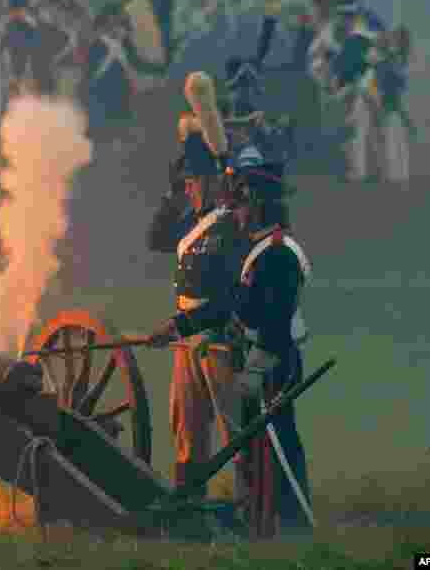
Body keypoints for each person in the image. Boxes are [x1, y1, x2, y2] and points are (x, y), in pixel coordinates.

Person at [144, 72, 247, 497]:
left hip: (220, 338)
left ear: (212, 181)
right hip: (187, 340)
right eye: (184, 183)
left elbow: (230, 295)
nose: (187, 189)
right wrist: (173, 194)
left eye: (191, 182)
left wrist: (179, 326)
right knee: (187, 429)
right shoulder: (191, 222)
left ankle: (249, 506)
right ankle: (190, 506)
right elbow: (156, 238)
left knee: (237, 432)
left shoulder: (232, 224)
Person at [226, 144, 313, 537]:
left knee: (281, 443)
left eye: (242, 205)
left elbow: (275, 321)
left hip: (275, 358)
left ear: (258, 206)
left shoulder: (277, 253)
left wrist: (256, 369)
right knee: (262, 443)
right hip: (264, 355)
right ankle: (263, 517)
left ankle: (293, 521)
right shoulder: (262, 249)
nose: (237, 213)